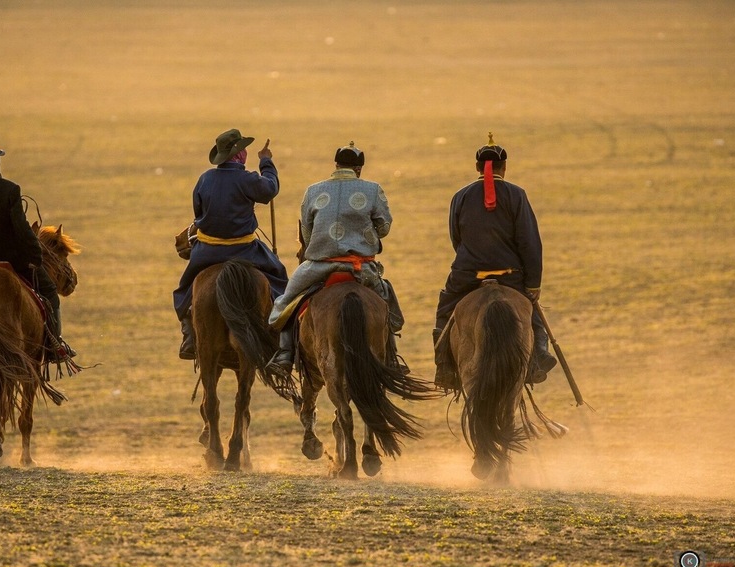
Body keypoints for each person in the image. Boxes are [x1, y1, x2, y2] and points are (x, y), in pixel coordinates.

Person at [266, 141, 407, 376]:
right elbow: (384, 228)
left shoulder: (313, 191)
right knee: (385, 303)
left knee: (287, 302)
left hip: (319, 266)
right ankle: (391, 357)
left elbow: (307, 234)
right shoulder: (372, 190)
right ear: (358, 169)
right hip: (361, 269)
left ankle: (284, 354)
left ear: (336, 165)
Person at [433, 133, 556, 391]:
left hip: (469, 274)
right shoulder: (517, 195)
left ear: (478, 167)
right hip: (510, 274)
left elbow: (456, 238)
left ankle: (444, 367)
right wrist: (533, 285)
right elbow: (529, 242)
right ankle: (536, 360)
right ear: (504, 167)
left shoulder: (460, 196)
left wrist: (472, 259)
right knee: (531, 314)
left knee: (446, 309)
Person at [0, 141, 75, 361]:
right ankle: (54, 347)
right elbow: (21, 229)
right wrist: (35, 255)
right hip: (14, 260)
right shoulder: (10, 190)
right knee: (48, 291)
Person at [173, 129, 288, 359]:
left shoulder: (205, 179)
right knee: (279, 278)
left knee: (184, 290)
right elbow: (270, 190)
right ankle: (279, 338)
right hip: (245, 250)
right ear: (238, 155)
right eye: (242, 149)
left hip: (208, 251)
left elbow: (199, 213)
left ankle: (189, 336)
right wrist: (266, 161)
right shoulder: (247, 179)